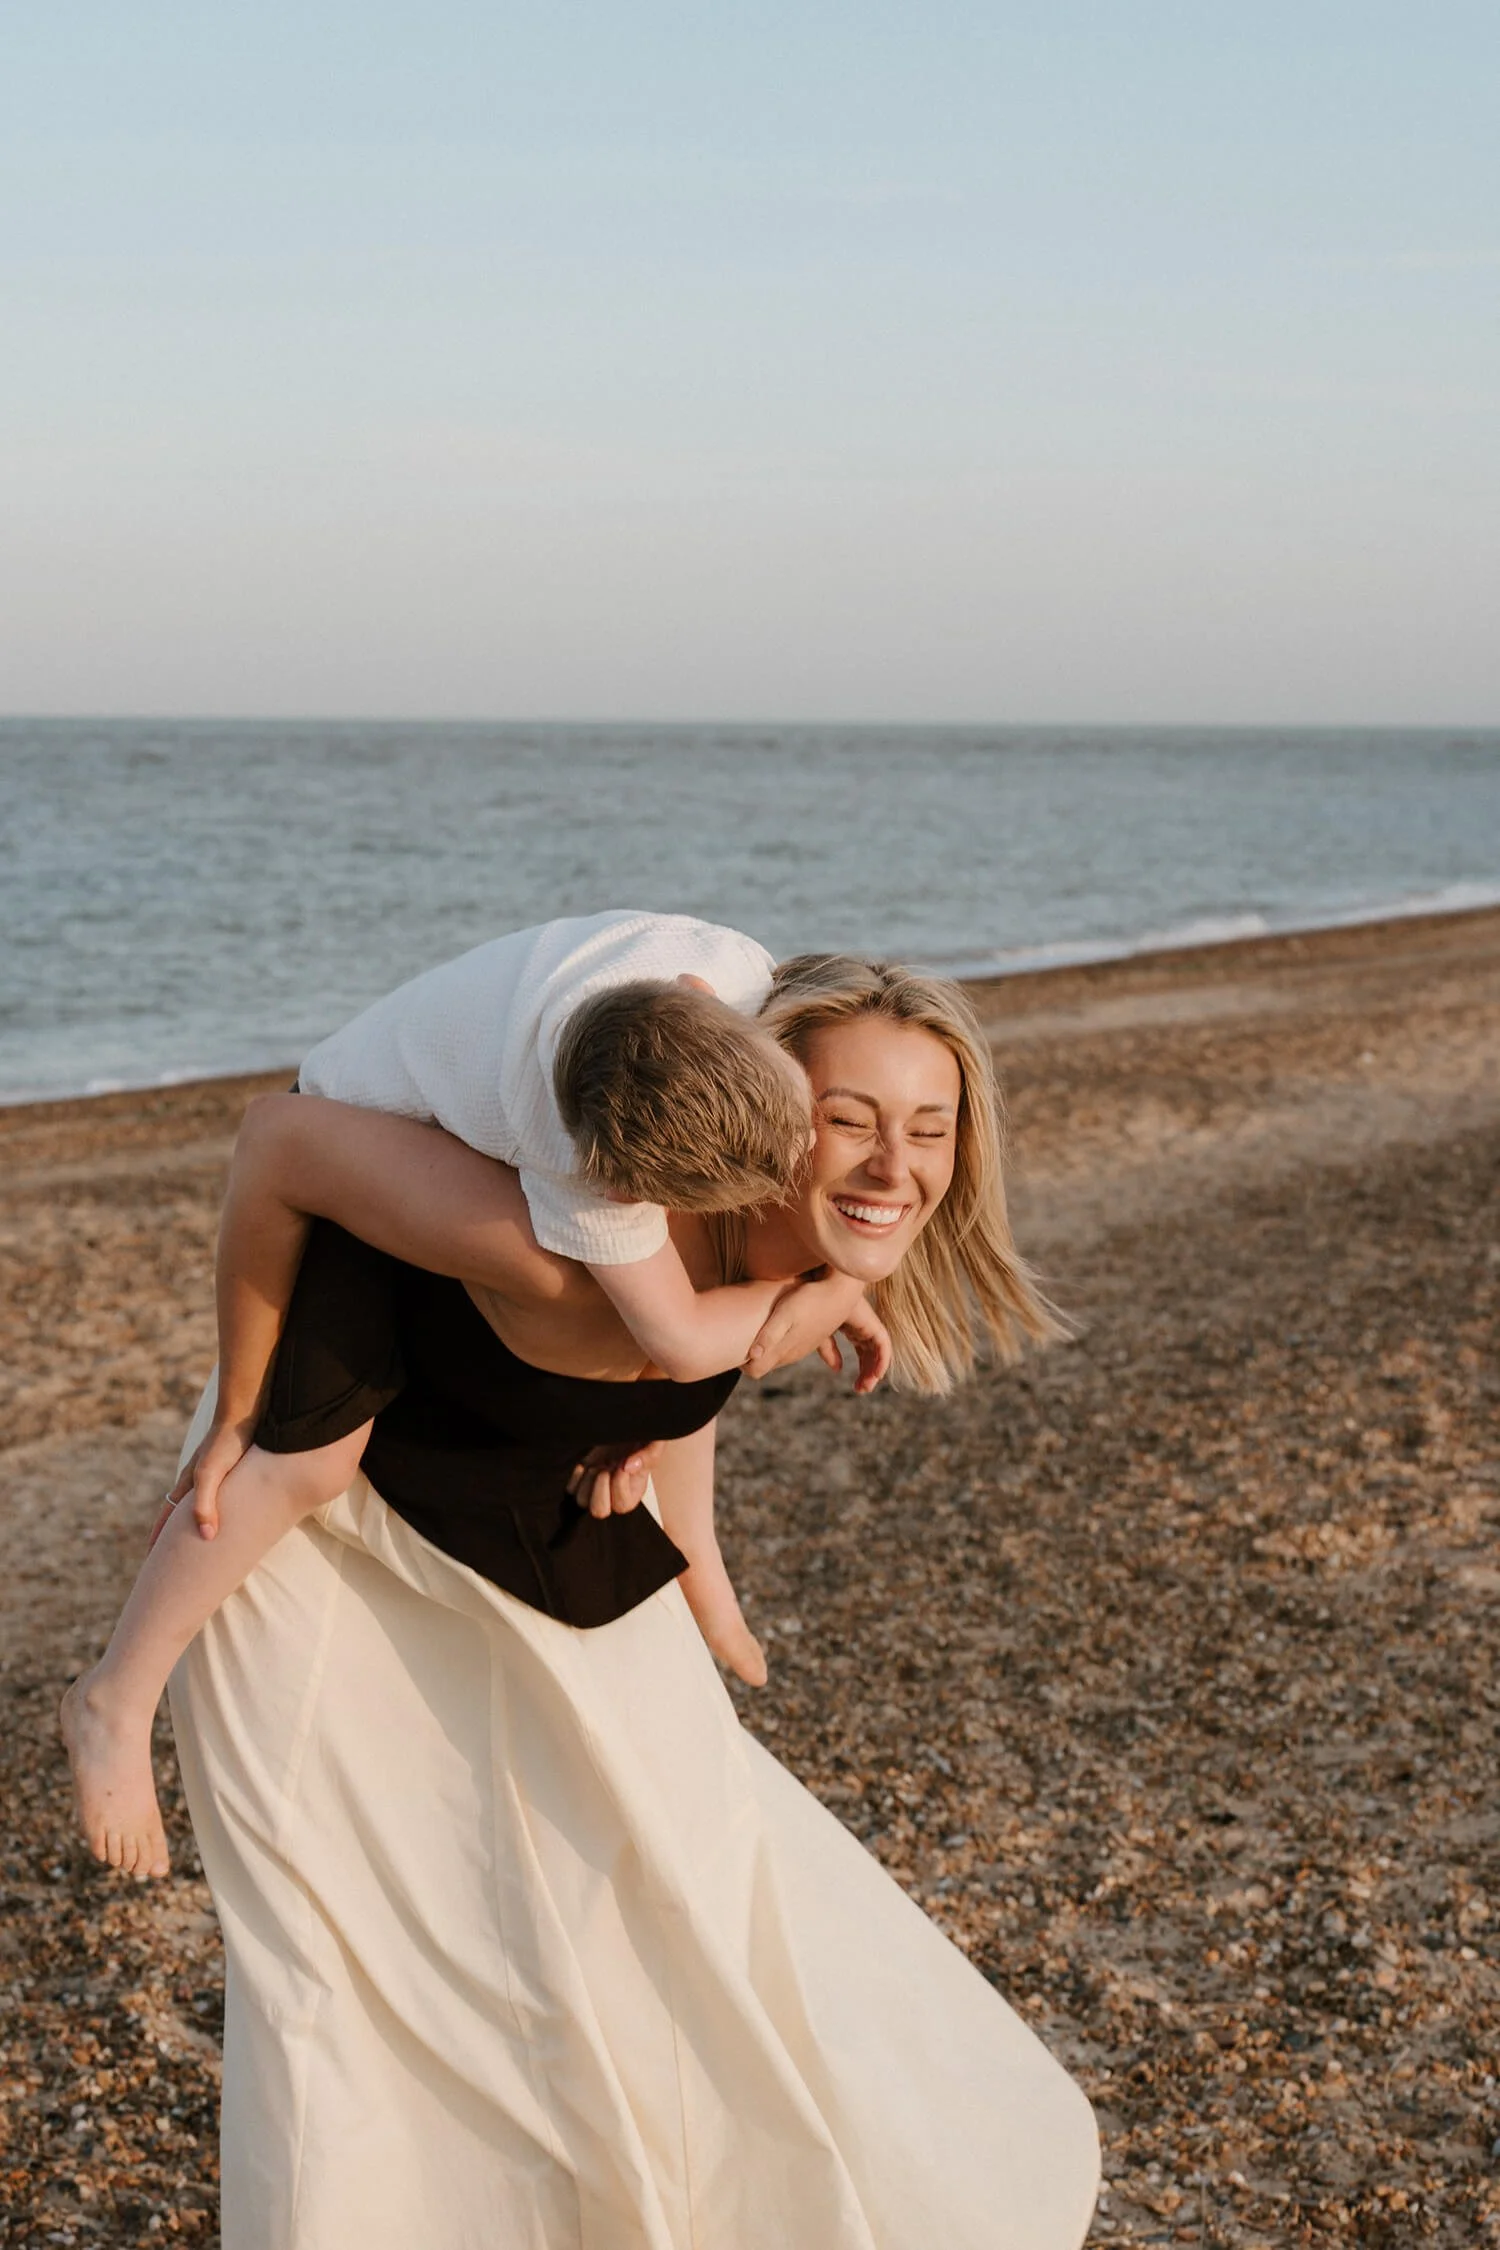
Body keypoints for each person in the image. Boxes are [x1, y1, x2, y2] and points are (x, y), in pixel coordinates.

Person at [140, 958, 1100, 2243]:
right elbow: (284, 1143)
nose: (891, 1167)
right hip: (311, 1524)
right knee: (347, 1964)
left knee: (679, 1869)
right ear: (761, 1109)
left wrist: (698, 1514)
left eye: (929, 1129)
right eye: (851, 1120)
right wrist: (247, 1412)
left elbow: (686, 1377)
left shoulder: (764, 1246)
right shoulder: (571, 1230)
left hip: (523, 1526)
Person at [61, 914, 896, 1878]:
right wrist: (826, 1289)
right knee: (302, 1463)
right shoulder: (581, 1170)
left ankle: (696, 1552)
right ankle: (114, 1697)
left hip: (493, 1092)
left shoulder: (733, 975)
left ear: (722, 1012)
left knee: (687, 1296)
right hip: (366, 1146)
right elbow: (684, 1337)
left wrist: (834, 1278)